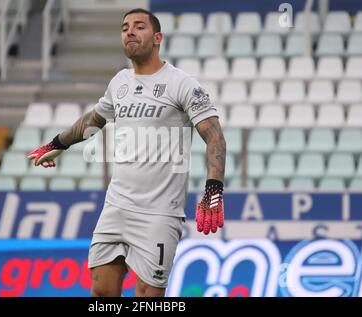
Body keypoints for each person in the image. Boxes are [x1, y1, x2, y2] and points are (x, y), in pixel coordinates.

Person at [27, 8, 226, 297]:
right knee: (101, 293)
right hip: (116, 206)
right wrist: (57, 144)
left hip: (159, 213)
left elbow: (215, 137)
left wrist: (213, 189)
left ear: (157, 37)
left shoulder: (182, 83)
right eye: (124, 28)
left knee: (147, 297)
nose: (129, 31)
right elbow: (94, 119)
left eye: (138, 26)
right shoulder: (119, 82)